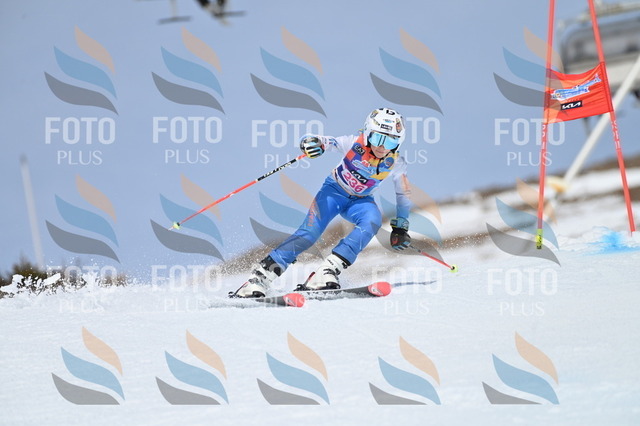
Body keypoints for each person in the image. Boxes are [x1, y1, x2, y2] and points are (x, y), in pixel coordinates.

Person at [232, 107, 413, 298]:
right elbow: (326, 141)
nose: (382, 147)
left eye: (391, 141)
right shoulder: (353, 143)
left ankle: (327, 270)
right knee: (309, 234)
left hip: (360, 202)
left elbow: (403, 194)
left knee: (372, 220)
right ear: (367, 133)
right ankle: (259, 278)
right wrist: (311, 143)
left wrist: (401, 227)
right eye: (377, 138)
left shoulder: (396, 163)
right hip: (333, 193)